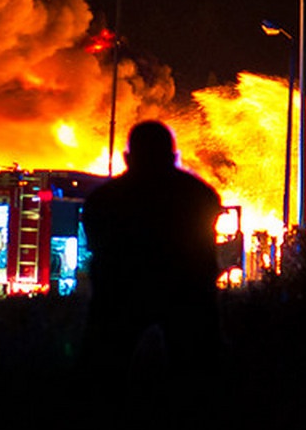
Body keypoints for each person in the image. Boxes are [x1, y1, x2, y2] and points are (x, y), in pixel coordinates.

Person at [80, 120, 224, 403]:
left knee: (103, 368)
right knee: (198, 369)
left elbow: (97, 247)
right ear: (173, 157)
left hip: (121, 293)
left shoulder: (103, 200)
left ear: (128, 158)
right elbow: (206, 252)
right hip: (185, 293)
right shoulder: (199, 195)